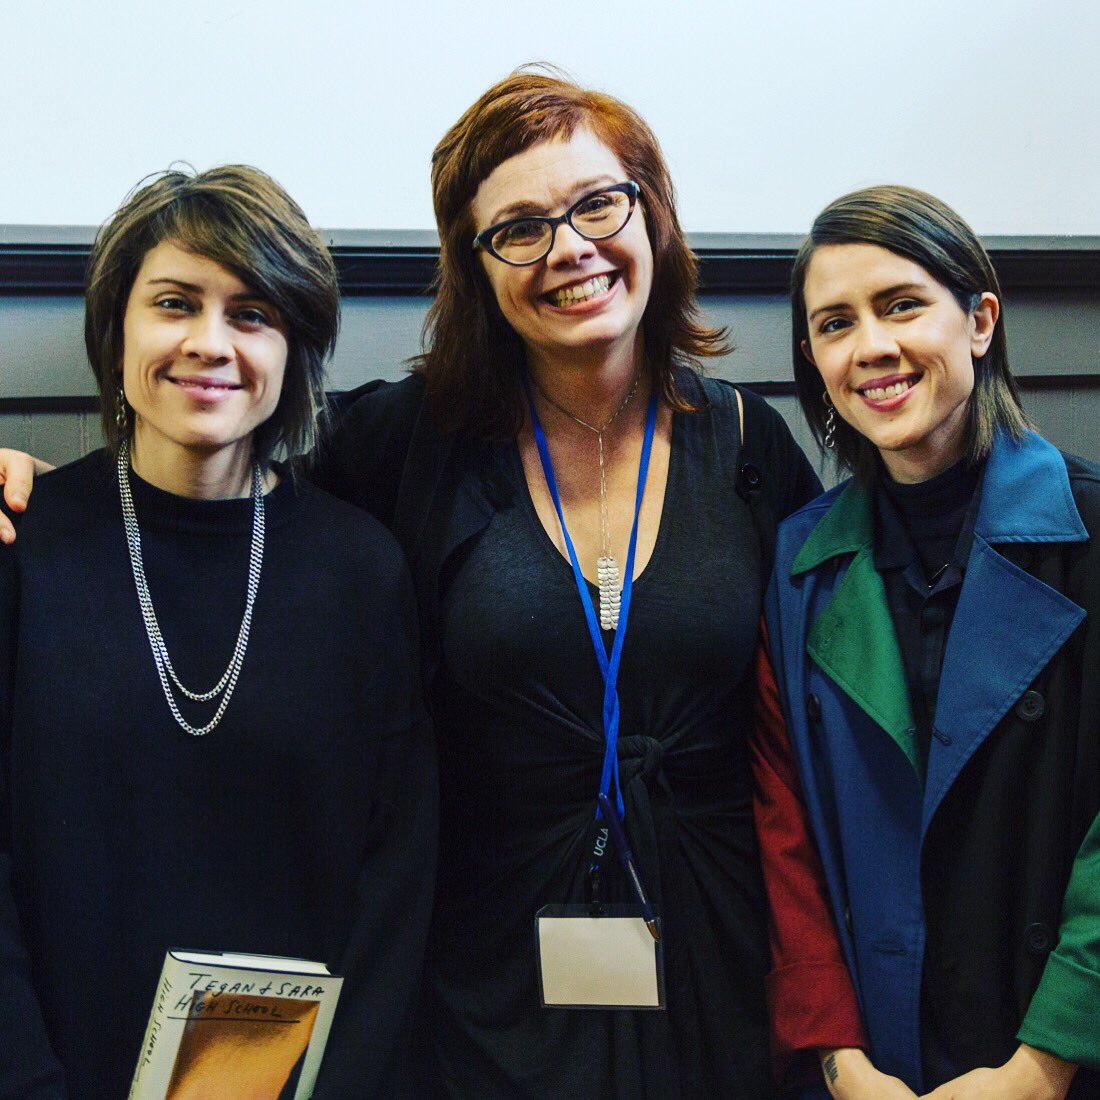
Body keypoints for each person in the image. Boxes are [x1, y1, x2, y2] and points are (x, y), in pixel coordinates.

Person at [0, 76, 869, 1098]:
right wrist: (52, 501)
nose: (567, 248)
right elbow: (220, 513)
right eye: (517, 228)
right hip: (487, 979)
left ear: (653, 213)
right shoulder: (406, 445)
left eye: (597, 203)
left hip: (715, 957)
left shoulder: (748, 447)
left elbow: (812, 743)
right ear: (474, 267)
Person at [0, 166, 436, 1099]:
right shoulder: (21, 552)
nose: (210, 343)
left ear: (295, 349)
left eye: (251, 314)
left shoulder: (363, 570)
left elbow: (395, 879)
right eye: (174, 303)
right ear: (117, 327)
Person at [765, 184, 1100, 1099]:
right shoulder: (802, 558)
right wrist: (840, 1060)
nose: (871, 345)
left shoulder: (1093, 527)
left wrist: (1043, 1065)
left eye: (901, 305)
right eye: (835, 323)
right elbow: (785, 826)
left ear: (980, 320)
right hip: (879, 1062)